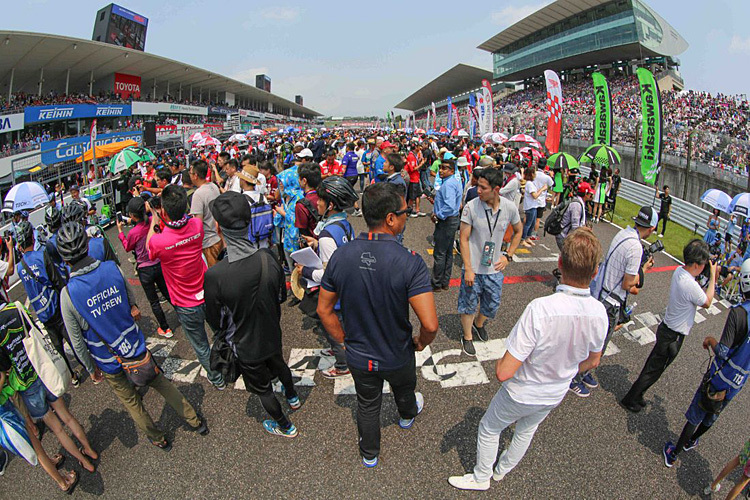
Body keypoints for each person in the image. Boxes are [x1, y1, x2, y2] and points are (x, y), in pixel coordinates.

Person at [448, 228, 608, 490]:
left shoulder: (541, 309)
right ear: (595, 272)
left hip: (522, 390)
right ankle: (502, 470)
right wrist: (564, 370)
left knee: (489, 428)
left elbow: (504, 371)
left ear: (559, 263)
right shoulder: (600, 313)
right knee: (525, 430)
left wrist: (504, 364)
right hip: (554, 393)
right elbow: (593, 361)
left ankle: (481, 477)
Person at [57, 221, 208, 453]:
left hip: (108, 359)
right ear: (88, 246)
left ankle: (158, 438)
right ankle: (195, 420)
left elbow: (77, 341)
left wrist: (90, 368)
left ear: (65, 260)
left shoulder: (68, 294)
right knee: (161, 383)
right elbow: (131, 299)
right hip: (135, 347)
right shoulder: (111, 268)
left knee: (132, 402)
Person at [317, 182, 438, 468]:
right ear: (390, 218)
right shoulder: (409, 262)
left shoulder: (341, 256)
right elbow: (430, 324)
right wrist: (421, 342)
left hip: (360, 353)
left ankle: (369, 454)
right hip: (397, 352)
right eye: (404, 212)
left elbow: (324, 310)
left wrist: (344, 341)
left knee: (367, 404)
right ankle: (406, 416)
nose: (407, 216)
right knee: (404, 390)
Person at [204, 192, 300, 438]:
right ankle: (293, 396)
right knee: (279, 364)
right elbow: (280, 295)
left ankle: (285, 426)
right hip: (271, 331)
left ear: (218, 227)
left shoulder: (216, 275)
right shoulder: (268, 257)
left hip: (245, 344)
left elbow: (214, 319)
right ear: (249, 223)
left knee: (263, 389)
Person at [663, 259, 750, 468]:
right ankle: (692, 441)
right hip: (739, 380)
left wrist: (711, 340)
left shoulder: (739, 313)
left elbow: (722, 352)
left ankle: (674, 452)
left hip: (720, 375)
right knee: (714, 412)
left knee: (699, 410)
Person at [0, 304, 94, 494]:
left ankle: (84, 462)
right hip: (43, 370)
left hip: (26, 384)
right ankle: (89, 450)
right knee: (66, 416)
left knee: (57, 428)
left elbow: (5, 368)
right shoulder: (15, 308)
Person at [570, 205, 657, 397]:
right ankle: (574, 378)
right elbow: (628, 284)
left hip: (602, 291)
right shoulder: (636, 247)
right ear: (651, 229)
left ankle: (584, 373)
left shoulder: (624, 233)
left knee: (594, 339)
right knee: (598, 343)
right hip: (612, 300)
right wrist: (644, 271)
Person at [620, 239, 716, 412]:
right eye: (703, 264)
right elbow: (707, 302)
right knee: (653, 370)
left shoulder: (680, 271)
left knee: (653, 367)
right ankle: (630, 399)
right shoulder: (689, 284)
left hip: (667, 329)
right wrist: (714, 274)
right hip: (673, 336)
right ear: (696, 264)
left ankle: (638, 394)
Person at [147, 184, 226, 390]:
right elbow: (189, 223)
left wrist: (155, 221)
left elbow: (149, 248)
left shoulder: (160, 242)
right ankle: (229, 361)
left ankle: (217, 379)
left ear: (164, 210)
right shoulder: (196, 227)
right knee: (219, 332)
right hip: (207, 293)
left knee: (200, 344)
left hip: (185, 303)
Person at [458, 168, 523, 356]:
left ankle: (479, 324)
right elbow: (463, 238)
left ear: (496, 189)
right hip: (473, 268)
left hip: (494, 268)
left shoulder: (509, 207)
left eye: (483, 188)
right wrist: (468, 268)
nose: (478, 190)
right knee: (468, 303)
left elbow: (518, 230)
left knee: (491, 303)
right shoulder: (472, 206)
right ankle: (468, 336)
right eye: (478, 185)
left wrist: (508, 255)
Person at [299, 176, 358, 378]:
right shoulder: (343, 224)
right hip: (349, 290)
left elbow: (329, 274)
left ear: (331, 204)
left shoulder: (326, 235)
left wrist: (305, 271)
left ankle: (343, 364)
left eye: (321, 200)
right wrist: (317, 245)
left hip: (335, 296)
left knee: (334, 329)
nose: (318, 203)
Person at [15, 221, 83, 386]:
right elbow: (56, 280)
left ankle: (72, 377)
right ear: (33, 237)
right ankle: (88, 366)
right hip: (55, 305)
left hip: (41, 312)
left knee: (58, 347)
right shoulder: (42, 255)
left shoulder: (20, 267)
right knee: (72, 337)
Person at [117, 197, 173, 338]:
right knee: (167, 292)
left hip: (144, 269)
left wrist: (120, 233)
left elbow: (127, 246)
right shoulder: (152, 222)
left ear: (131, 215)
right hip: (158, 263)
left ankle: (165, 328)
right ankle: (183, 315)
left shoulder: (133, 233)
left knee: (154, 301)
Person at [430, 158, 463, 291]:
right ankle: (445, 281)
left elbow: (449, 206)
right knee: (448, 251)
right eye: (440, 167)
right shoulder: (454, 181)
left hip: (446, 220)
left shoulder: (448, 184)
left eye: (444, 168)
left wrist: (437, 214)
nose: (441, 170)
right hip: (452, 219)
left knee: (440, 252)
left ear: (451, 170)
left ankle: (437, 283)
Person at [189, 160, 225, 267]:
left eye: (191, 173)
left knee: (213, 276)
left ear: (195, 175)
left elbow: (197, 224)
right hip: (219, 239)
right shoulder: (213, 186)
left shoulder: (198, 194)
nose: (190, 176)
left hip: (208, 243)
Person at [295, 162, 322, 239]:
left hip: (312, 242)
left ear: (304, 181)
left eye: (299, 179)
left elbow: (303, 230)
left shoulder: (301, 205)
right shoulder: (324, 196)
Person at [521, 167, 545, 248]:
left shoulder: (531, 183)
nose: (535, 174)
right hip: (530, 206)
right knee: (528, 223)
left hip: (533, 206)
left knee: (532, 223)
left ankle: (527, 238)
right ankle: (523, 239)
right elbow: (534, 196)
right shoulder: (529, 184)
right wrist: (542, 189)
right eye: (534, 173)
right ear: (531, 174)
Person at [532, 164, 553, 238]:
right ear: (544, 167)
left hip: (532, 198)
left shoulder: (534, 173)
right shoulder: (546, 177)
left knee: (529, 217)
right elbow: (553, 184)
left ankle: (525, 232)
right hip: (541, 200)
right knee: (538, 219)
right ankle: (534, 234)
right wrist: (551, 175)